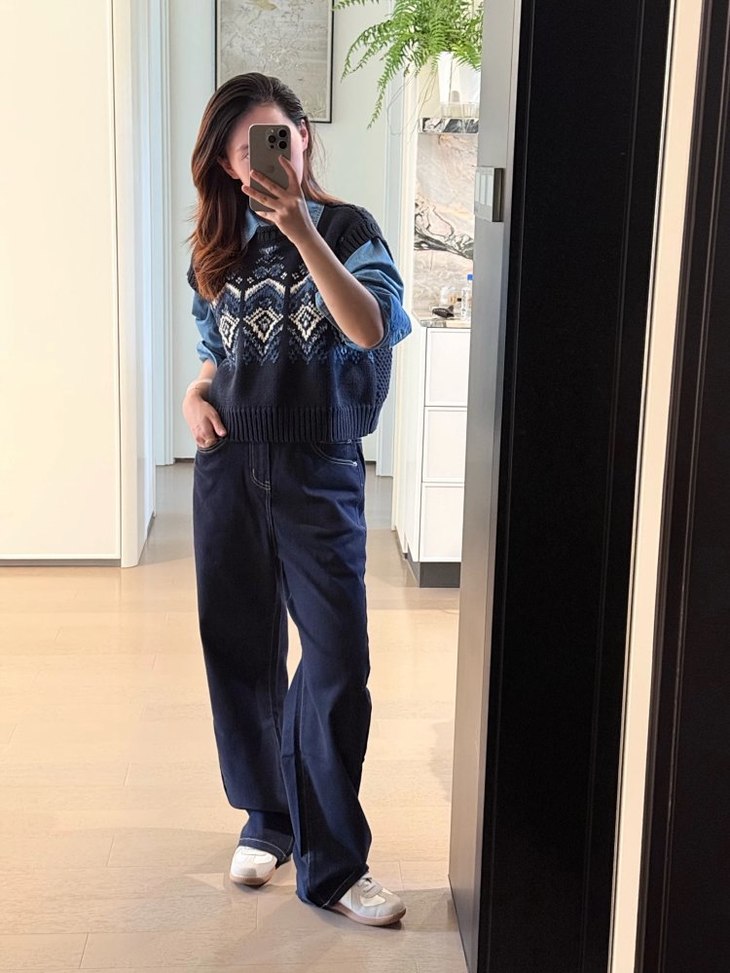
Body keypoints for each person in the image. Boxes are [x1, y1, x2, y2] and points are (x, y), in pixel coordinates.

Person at [182, 73, 411, 927]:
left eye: (276, 137)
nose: (264, 159)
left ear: (303, 138)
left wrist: (302, 230)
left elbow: (370, 326)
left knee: (338, 660)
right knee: (241, 647)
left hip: (318, 466)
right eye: (245, 150)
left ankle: (336, 861)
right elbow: (216, 349)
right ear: (229, 165)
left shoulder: (349, 230)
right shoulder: (216, 245)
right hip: (230, 463)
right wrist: (194, 392)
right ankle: (268, 817)